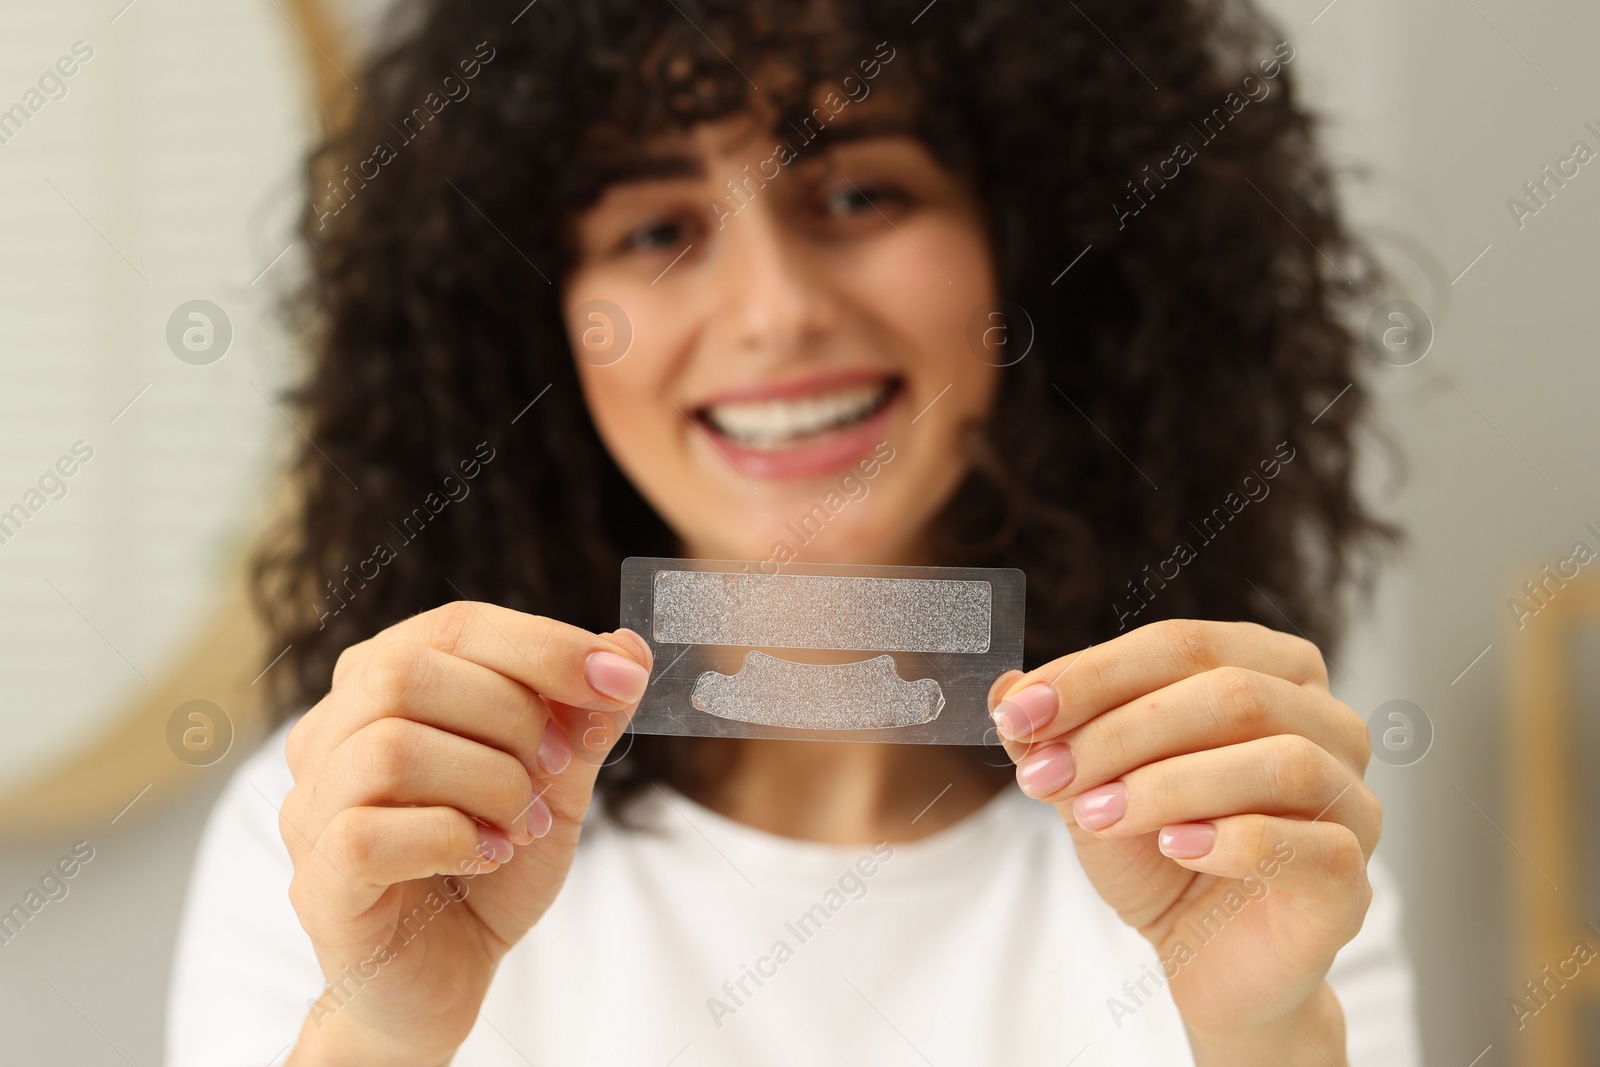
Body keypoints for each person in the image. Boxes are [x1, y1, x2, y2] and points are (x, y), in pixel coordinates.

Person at [166, 1, 1420, 1063]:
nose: (772, 311)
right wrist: (378, 1033)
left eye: (861, 190)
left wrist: (1265, 1035)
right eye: (655, 230)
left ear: (1038, 255)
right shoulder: (357, 830)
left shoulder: (1238, 833)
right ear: (531, 328)